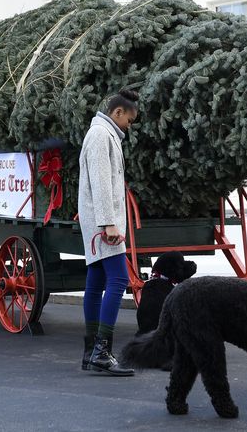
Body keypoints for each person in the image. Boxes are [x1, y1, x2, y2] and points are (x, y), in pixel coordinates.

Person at [78, 89, 139, 376]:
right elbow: (101, 183)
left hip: (98, 223)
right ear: (117, 113)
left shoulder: (100, 134)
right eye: (129, 118)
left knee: (96, 282)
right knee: (118, 280)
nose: (130, 124)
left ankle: (91, 351)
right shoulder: (103, 136)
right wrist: (107, 223)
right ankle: (102, 351)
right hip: (106, 226)